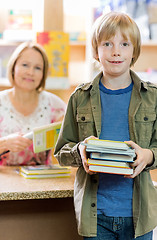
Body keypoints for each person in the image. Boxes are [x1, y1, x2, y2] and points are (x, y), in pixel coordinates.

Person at [54, 11, 157, 240]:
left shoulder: (152, 97)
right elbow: (61, 151)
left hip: (139, 217)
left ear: (134, 51)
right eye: (107, 43)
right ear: (96, 50)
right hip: (96, 216)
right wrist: (81, 151)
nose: (116, 51)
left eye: (124, 43)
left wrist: (148, 155)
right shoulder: (79, 98)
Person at [0, 41, 66, 166]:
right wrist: (4, 143)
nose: (30, 72)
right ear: (13, 67)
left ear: (43, 74)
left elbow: (70, 144)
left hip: (41, 182)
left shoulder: (55, 105)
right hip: (1, 183)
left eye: (37, 68)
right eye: (25, 65)